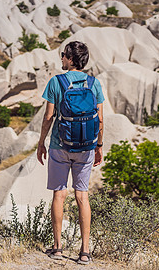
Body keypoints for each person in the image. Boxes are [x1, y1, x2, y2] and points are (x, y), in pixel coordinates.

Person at [36, 41, 104, 265]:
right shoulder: (94, 84)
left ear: (71, 59)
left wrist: (41, 143)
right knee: (82, 196)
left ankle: (57, 248)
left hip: (60, 145)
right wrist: (98, 146)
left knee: (59, 194)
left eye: (63, 55)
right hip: (85, 148)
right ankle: (84, 252)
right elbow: (101, 120)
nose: (61, 58)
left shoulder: (56, 82)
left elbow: (48, 118)